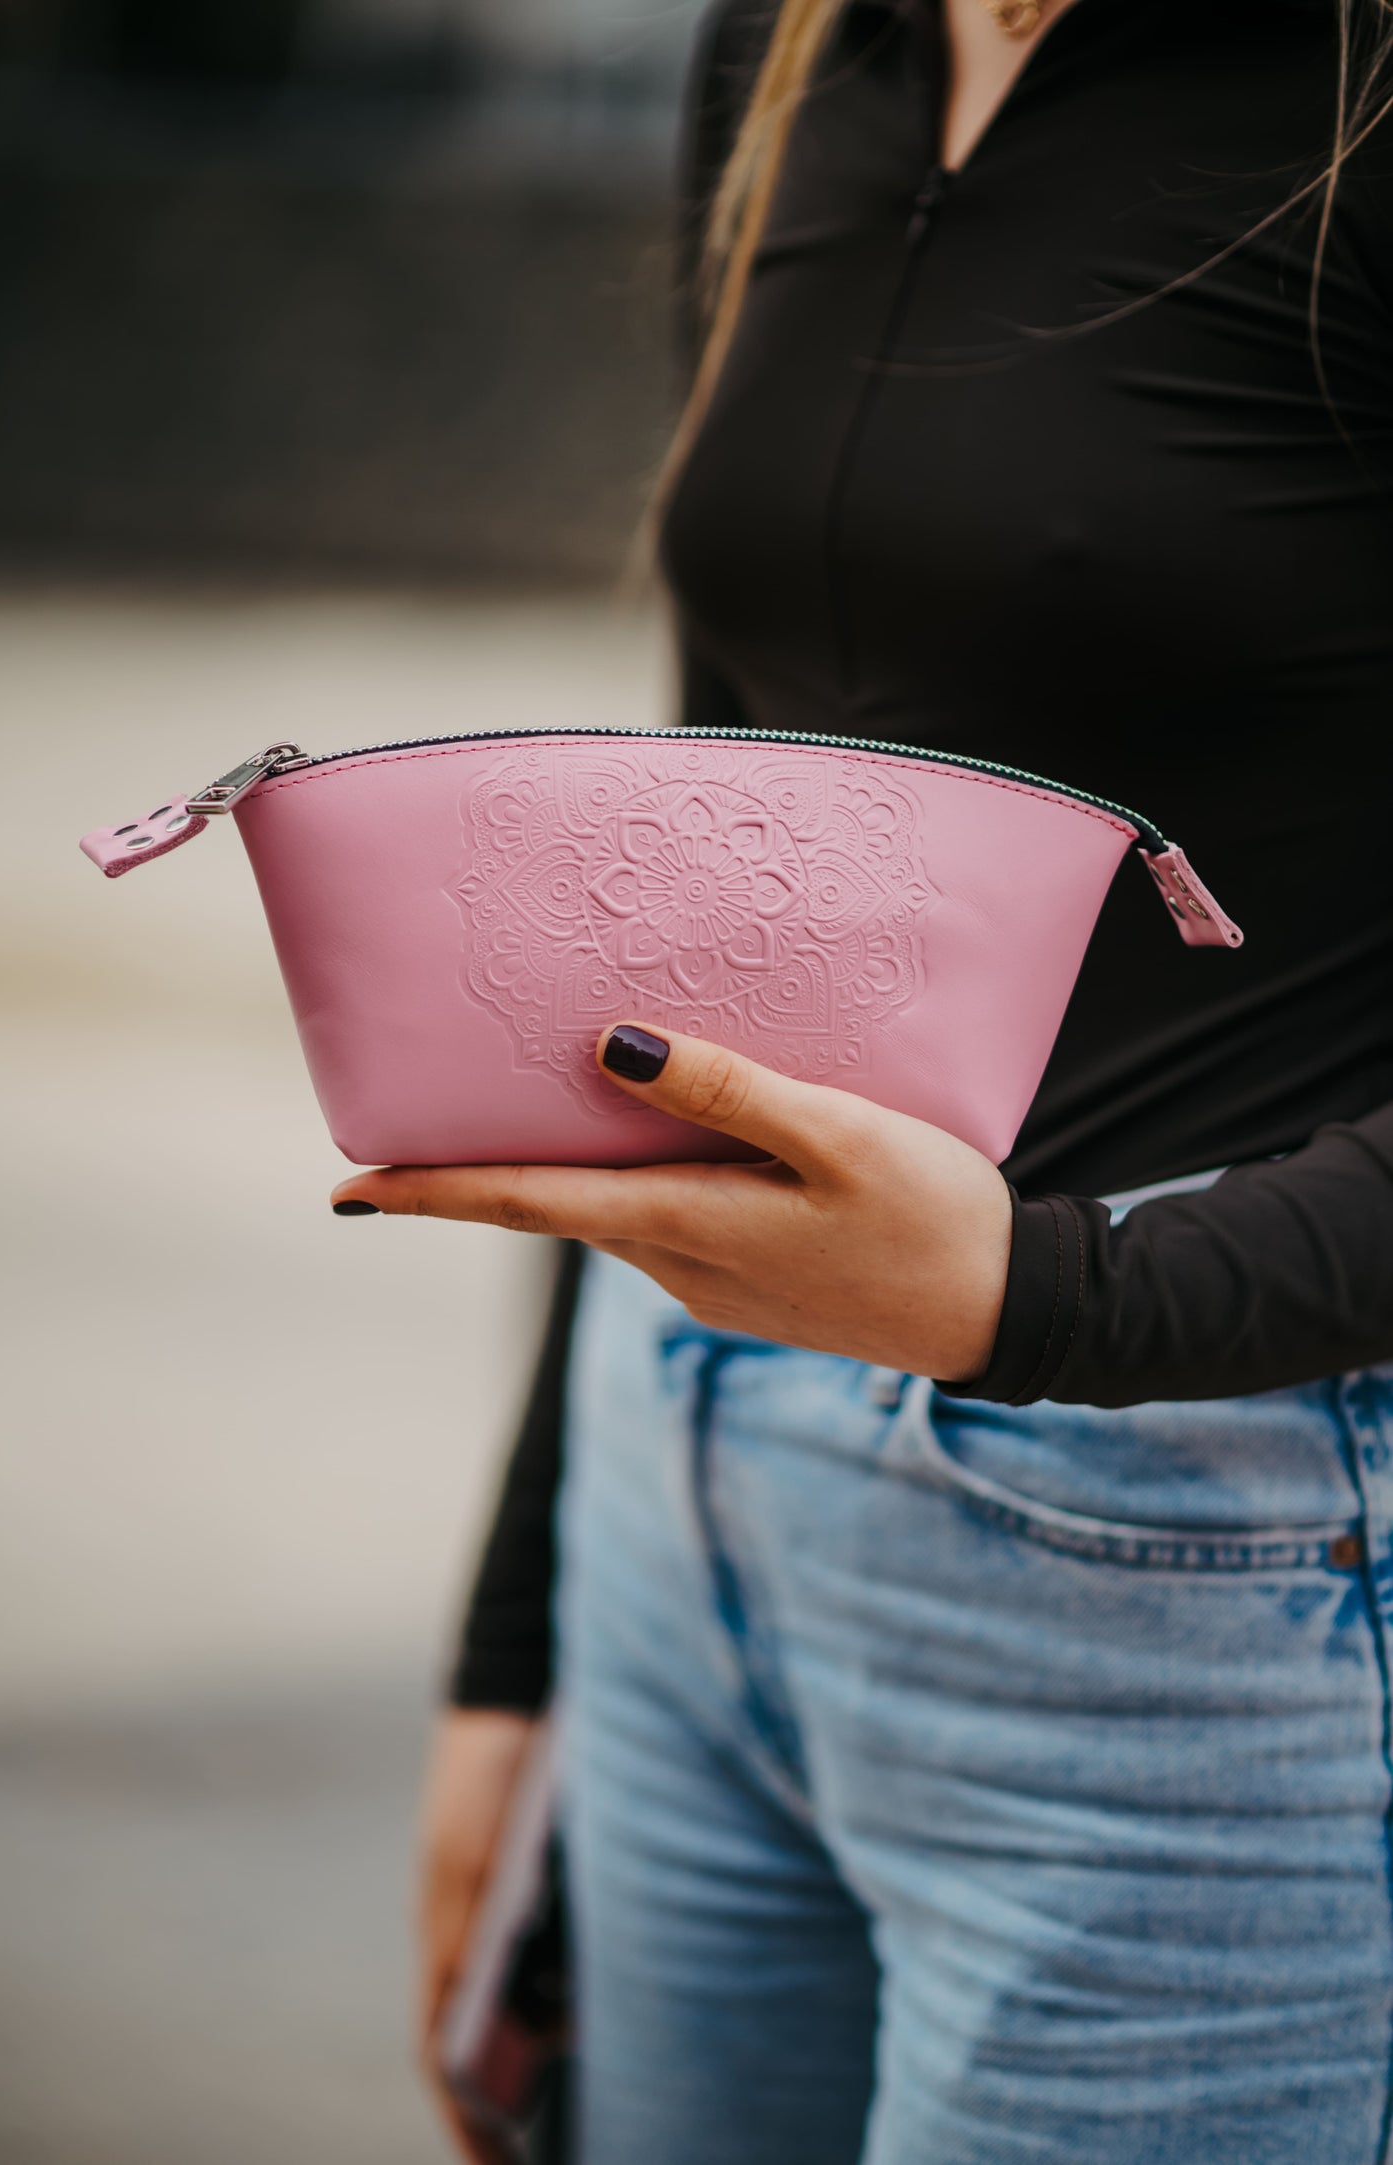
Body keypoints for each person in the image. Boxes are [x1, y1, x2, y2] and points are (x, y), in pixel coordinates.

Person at [336, 0, 1393, 2156]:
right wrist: (524, 1628)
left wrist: (1051, 1298)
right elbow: (699, 849)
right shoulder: (807, 39)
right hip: (691, 1484)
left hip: (1202, 1570)